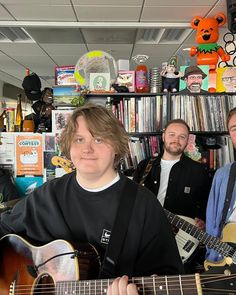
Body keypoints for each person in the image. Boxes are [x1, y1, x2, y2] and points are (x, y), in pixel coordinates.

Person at [0, 104, 183, 279]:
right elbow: (5, 229)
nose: (87, 149)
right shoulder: (48, 195)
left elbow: (171, 276)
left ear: (117, 147)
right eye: (79, 139)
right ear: (69, 146)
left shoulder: (143, 205)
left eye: (98, 139)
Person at [133, 119, 212, 272]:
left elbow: (207, 204)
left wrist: (203, 220)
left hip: (181, 241)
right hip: (145, 237)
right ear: (163, 136)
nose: (176, 140)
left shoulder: (199, 171)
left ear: (187, 140)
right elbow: (131, 201)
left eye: (182, 136)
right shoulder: (144, 165)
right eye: (172, 134)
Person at [205, 107, 236, 263]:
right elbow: (212, 223)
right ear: (230, 135)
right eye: (234, 129)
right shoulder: (222, 174)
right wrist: (212, 256)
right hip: (222, 263)